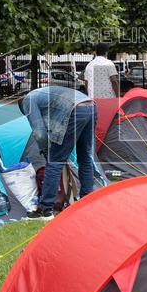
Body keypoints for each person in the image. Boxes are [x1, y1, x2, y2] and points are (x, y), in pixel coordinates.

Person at [19, 86, 96, 218]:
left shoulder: (28, 101)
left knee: (54, 161)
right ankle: (87, 202)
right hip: (91, 106)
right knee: (85, 157)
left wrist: (45, 150)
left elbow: (39, 133)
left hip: (74, 109)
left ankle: (45, 209)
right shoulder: (42, 94)